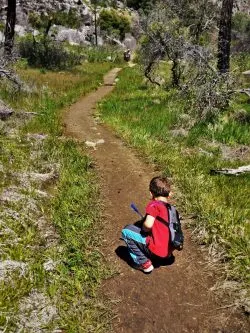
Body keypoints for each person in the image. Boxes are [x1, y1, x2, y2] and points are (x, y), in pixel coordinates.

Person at [121, 176, 174, 273]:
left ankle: (144, 263)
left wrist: (144, 228)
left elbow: (148, 226)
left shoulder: (154, 206)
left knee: (126, 230)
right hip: (168, 251)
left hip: (156, 252)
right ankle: (165, 257)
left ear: (151, 193)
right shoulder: (172, 209)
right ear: (169, 194)